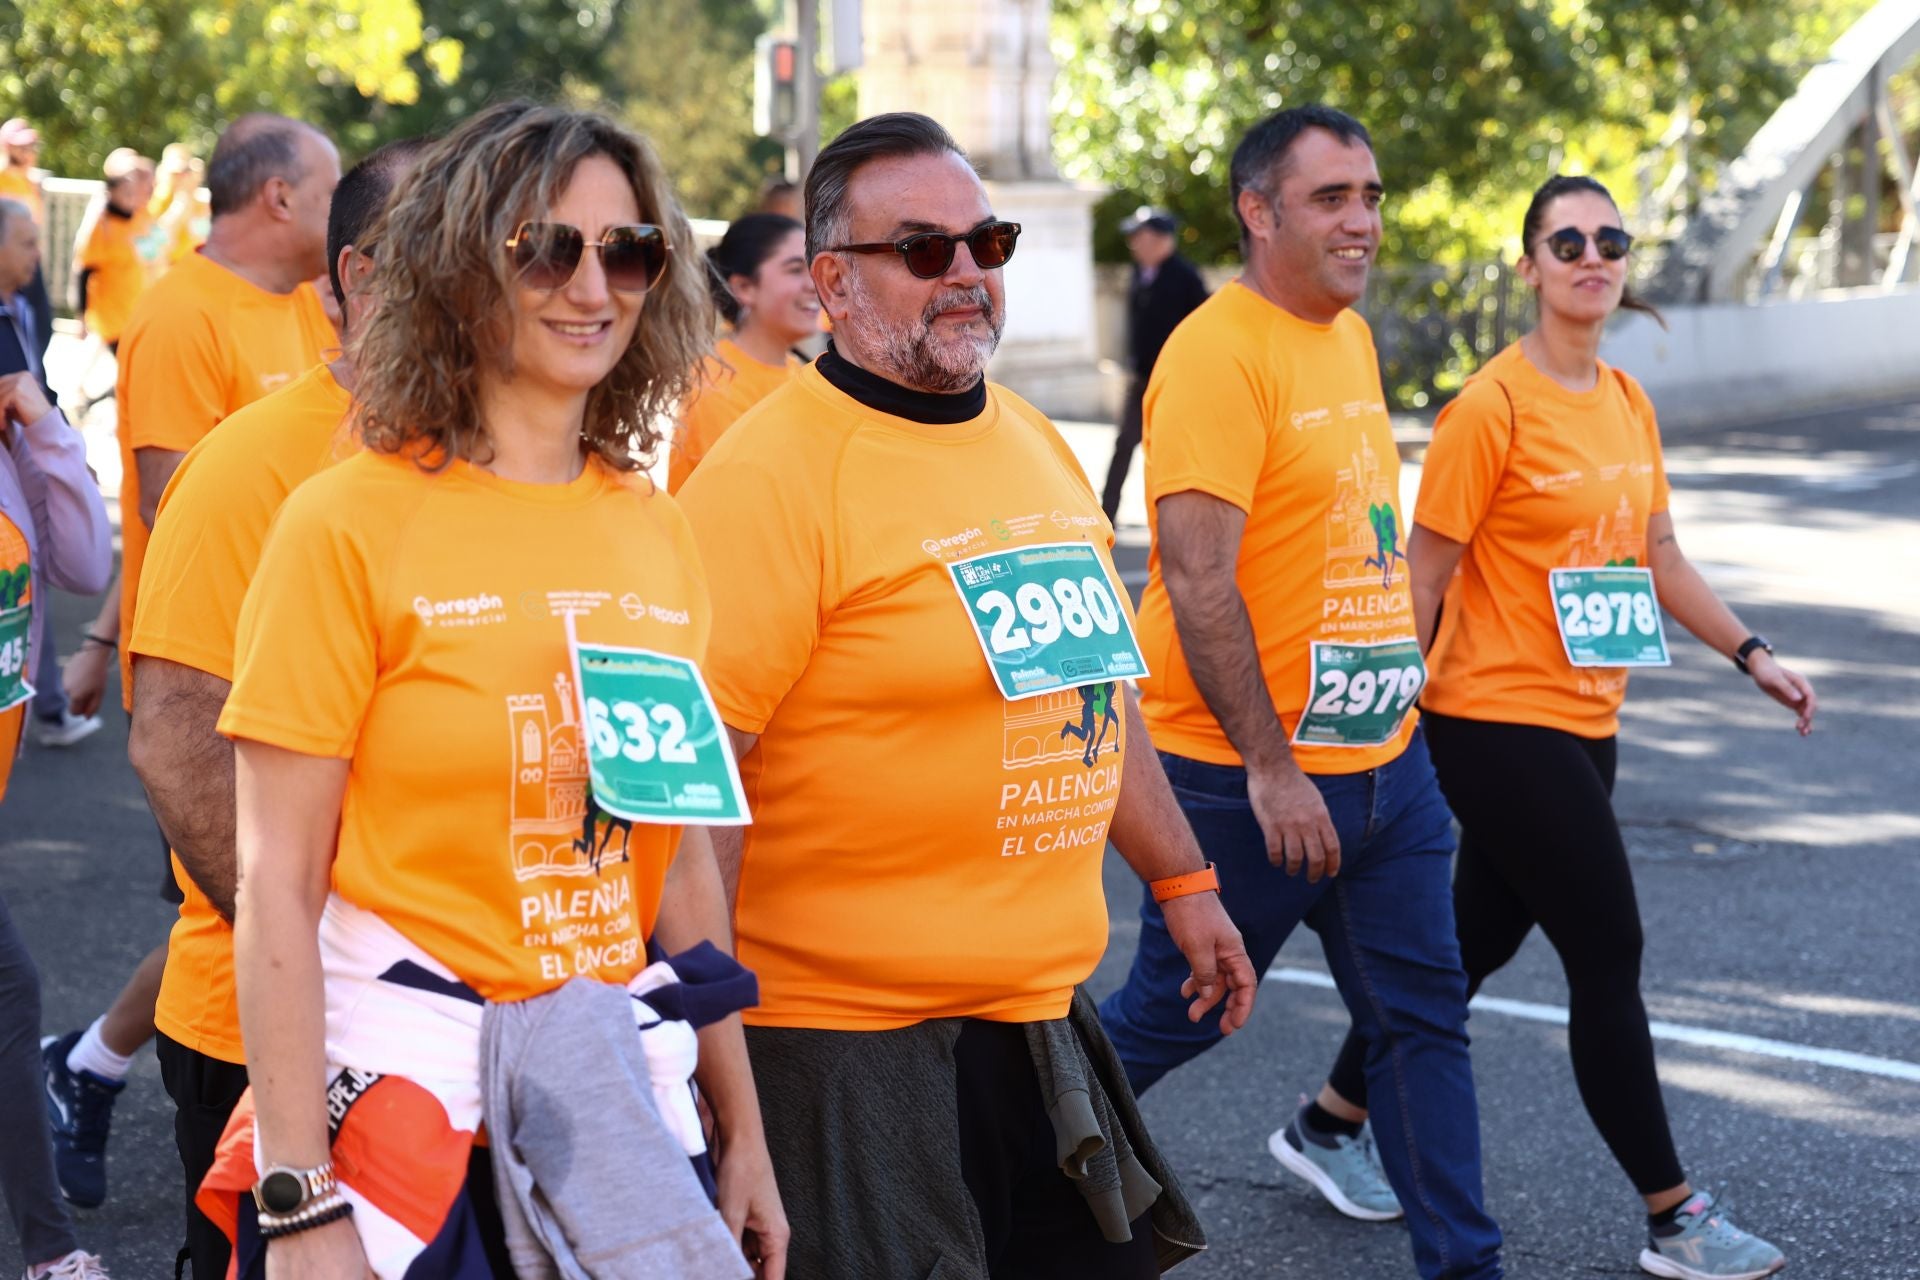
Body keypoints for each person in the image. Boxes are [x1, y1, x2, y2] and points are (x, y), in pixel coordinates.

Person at [675, 111, 1257, 1279]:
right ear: (832, 280)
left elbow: (1096, 693)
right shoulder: (770, 477)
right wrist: (710, 1061)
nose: (968, 275)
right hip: (839, 1044)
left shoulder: (1032, 440)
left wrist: (1186, 880)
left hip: (1037, 1015)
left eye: (985, 243)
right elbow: (699, 793)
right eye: (926, 250)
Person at [211, 100, 785, 1275]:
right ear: (462, 265)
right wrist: (295, 1199)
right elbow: (276, 888)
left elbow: (668, 859)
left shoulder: (655, 531)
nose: (592, 286)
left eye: (627, 250)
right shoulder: (345, 521)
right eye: (545, 247)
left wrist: (744, 1128)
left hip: (612, 1099)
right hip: (404, 1118)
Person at [1311, 174, 1809, 1280]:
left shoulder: (1626, 401)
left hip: (1590, 716)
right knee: (1608, 950)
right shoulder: (1489, 408)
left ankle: (1329, 1120)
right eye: (1567, 239)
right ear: (1530, 265)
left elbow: (1660, 554)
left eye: (1611, 238)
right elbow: (1422, 576)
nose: (1593, 253)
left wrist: (1751, 651)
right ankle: (1675, 1214)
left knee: (1475, 940)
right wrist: (1383, 718)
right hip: (1491, 718)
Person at [1095, 106, 1505, 1280]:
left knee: (1423, 1021)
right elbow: (1194, 572)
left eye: (1371, 195)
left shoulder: (1349, 335)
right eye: (1333, 198)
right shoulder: (1220, 351)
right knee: (1168, 1020)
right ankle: (984, 1180)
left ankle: (1464, 1268)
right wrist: (1272, 766)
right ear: (1260, 212)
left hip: (1388, 766)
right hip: (1239, 779)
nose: (1363, 220)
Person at [115, 135, 427, 1280]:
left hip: (456, 1039)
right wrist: (333, 970)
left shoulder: (506, 456)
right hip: (268, 1031)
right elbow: (177, 749)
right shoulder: (254, 464)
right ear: (364, 275)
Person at [40, 112, 338, 1212]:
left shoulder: (307, 305)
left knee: (231, 912)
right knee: (239, 909)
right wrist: (113, 639)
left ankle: (89, 1063)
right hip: (207, 675)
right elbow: (176, 503)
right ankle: (97, 1067)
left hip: (288, 661)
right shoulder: (179, 313)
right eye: (331, 182)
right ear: (278, 199)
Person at [0, 274, 115, 1277]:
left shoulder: (12, 449)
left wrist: (38, 419)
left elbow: (81, 559)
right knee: (11, 986)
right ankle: (50, 1248)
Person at [0, 195, 100, 752]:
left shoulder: (18, 442)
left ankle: (51, 708)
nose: (40, 256)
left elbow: (84, 568)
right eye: (28, 242)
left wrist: (54, 438)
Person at [666, 213, 814, 493]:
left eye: (813, 268)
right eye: (795, 270)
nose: (814, 284)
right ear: (744, 288)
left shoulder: (804, 375)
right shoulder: (713, 382)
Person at [1099, 206, 1207, 523]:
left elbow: (1200, 330)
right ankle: (1106, 515)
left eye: (1139, 236)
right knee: (1124, 444)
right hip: (1142, 377)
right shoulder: (1140, 274)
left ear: (1159, 240)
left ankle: (1176, 515)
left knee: (1171, 449)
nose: (1133, 243)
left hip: (1175, 382)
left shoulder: (1186, 278)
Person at [65, 149, 158, 419]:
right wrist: (81, 315)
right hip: (111, 309)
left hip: (133, 305)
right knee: (129, 362)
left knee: (110, 357)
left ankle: (85, 397)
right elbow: (83, 269)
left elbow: (157, 252)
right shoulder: (101, 223)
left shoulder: (141, 216)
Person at [0, 121, 51, 366]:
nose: (28, 151)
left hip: (28, 259)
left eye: (31, 145)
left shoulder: (29, 180)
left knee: (40, 324)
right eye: (21, 146)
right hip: (8, 262)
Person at [149, 143, 211, 268]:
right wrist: (179, 206)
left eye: (185, 172)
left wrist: (193, 187)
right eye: (176, 173)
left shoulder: (199, 202)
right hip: (167, 267)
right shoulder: (160, 199)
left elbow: (202, 236)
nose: (182, 178)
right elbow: (159, 241)